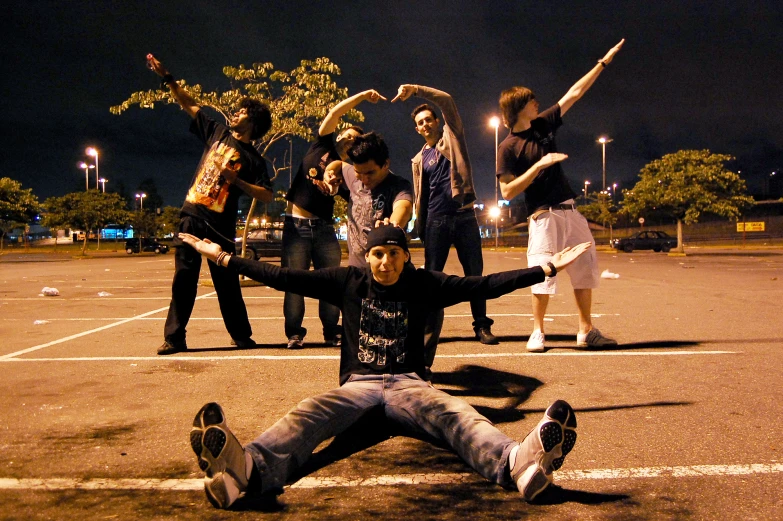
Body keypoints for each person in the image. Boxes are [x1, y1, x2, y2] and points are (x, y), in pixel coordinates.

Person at [180, 225, 590, 509]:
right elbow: (282, 276)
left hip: (411, 385)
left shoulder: (425, 283)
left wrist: (547, 268)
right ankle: (245, 468)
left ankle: (519, 464)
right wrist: (222, 257)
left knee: (458, 415)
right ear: (367, 256)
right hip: (359, 384)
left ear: (405, 256)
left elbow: (483, 285)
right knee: (309, 413)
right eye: (378, 254)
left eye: (394, 254)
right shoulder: (347, 281)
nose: (385, 263)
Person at [496, 40, 624, 353]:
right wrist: (538, 166)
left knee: (585, 269)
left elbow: (574, 93)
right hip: (542, 216)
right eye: (531, 100)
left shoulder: (544, 124)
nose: (537, 102)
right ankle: (538, 332)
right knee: (542, 272)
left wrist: (602, 62)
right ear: (518, 108)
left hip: (570, 210)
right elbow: (508, 191)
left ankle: (586, 330)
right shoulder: (508, 147)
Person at [146, 55, 274, 355]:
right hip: (191, 216)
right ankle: (174, 338)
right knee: (184, 280)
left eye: (242, 111)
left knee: (227, 282)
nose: (236, 113)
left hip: (220, 227)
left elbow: (267, 195)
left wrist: (236, 180)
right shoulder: (218, 132)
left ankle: (241, 335)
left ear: (252, 121)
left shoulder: (255, 160)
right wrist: (168, 78)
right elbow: (189, 104)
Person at [392, 84, 497, 369]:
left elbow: (448, 99)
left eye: (428, 119)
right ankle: (428, 329)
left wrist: (415, 90)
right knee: (432, 277)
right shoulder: (418, 159)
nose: (425, 124)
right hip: (435, 221)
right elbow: (420, 195)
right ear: (416, 129)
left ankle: (481, 325)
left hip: (463, 216)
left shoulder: (452, 137)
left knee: (474, 274)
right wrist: (419, 224)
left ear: (437, 121)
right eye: (419, 123)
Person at [280, 89, 385, 349]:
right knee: (294, 282)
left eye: (355, 140)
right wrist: (362, 97)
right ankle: (294, 333)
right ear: (339, 135)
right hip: (297, 225)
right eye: (348, 135)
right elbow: (335, 112)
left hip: (325, 229)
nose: (350, 141)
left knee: (331, 283)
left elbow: (363, 198)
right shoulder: (322, 144)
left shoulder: (351, 171)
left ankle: (331, 331)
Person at [330, 132, 414, 267]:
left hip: (388, 271)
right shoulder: (354, 176)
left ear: (386, 164)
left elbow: (403, 207)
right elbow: (339, 164)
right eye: (359, 172)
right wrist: (329, 173)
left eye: (370, 173)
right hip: (357, 271)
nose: (364, 179)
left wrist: (392, 225)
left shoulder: (399, 185)